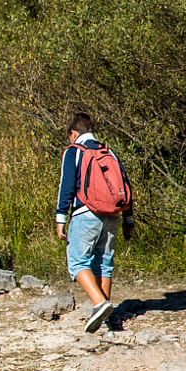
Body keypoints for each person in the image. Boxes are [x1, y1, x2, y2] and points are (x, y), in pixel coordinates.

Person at [56, 114, 135, 333]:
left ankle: (100, 304)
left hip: (86, 212)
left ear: (73, 133)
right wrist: (129, 218)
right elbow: (125, 185)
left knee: (78, 262)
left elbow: (67, 185)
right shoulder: (108, 151)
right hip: (113, 215)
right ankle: (106, 318)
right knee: (104, 262)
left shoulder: (74, 151)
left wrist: (61, 217)